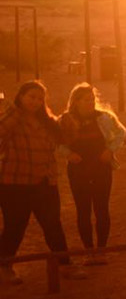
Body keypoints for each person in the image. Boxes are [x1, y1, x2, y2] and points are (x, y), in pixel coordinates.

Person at [0, 80, 85, 284]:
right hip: (15, 182)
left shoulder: (47, 121)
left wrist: (69, 124)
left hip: (45, 182)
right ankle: (4, 267)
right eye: (31, 97)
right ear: (20, 96)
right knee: (15, 226)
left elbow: (65, 139)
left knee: (53, 225)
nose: (35, 102)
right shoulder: (11, 118)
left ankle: (64, 264)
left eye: (39, 98)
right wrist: (13, 113)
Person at [59, 83, 126, 266]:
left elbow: (121, 132)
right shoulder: (66, 120)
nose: (91, 102)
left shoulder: (104, 117)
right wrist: (68, 154)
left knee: (101, 209)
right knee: (83, 211)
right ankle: (89, 250)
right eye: (86, 100)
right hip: (78, 170)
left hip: (101, 168)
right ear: (76, 101)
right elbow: (55, 141)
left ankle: (101, 250)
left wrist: (110, 150)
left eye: (92, 99)